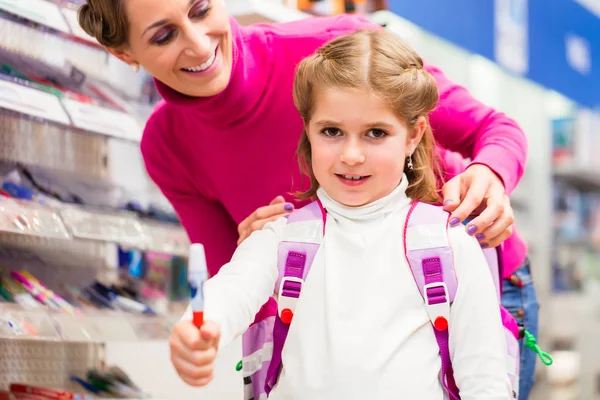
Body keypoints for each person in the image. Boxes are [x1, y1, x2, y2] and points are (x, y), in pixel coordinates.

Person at [76, 0, 533, 397]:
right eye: (163, 35)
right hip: (329, 309)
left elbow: (493, 129)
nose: (198, 44)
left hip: (471, 282)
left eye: (201, 9)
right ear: (123, 53)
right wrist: (203, 325)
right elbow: (233, 289)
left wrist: (490, 172)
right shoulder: (169, 146)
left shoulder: (338, 48)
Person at [176, 29, 512, 398]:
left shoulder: (450, 243)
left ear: (413, 135)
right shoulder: (280, 236)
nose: (351, 155)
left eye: (376, 133)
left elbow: (485, 378)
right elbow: (232, 291)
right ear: (308, 130)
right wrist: (199, 329)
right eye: (332, 131)